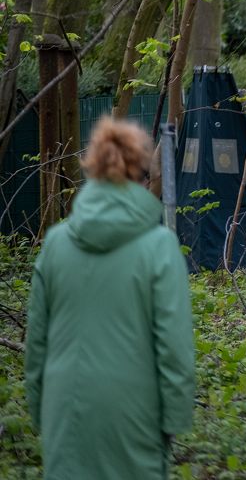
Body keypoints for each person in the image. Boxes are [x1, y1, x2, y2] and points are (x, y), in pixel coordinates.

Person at [25, 117, 196, 479]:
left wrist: (42, 411)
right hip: (134, 412)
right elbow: (175, 348)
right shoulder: (160, 247)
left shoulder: (55, 243)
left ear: (95, 173)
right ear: (141, 177)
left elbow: (36, 343)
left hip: (64, 408)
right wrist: (174, 421)